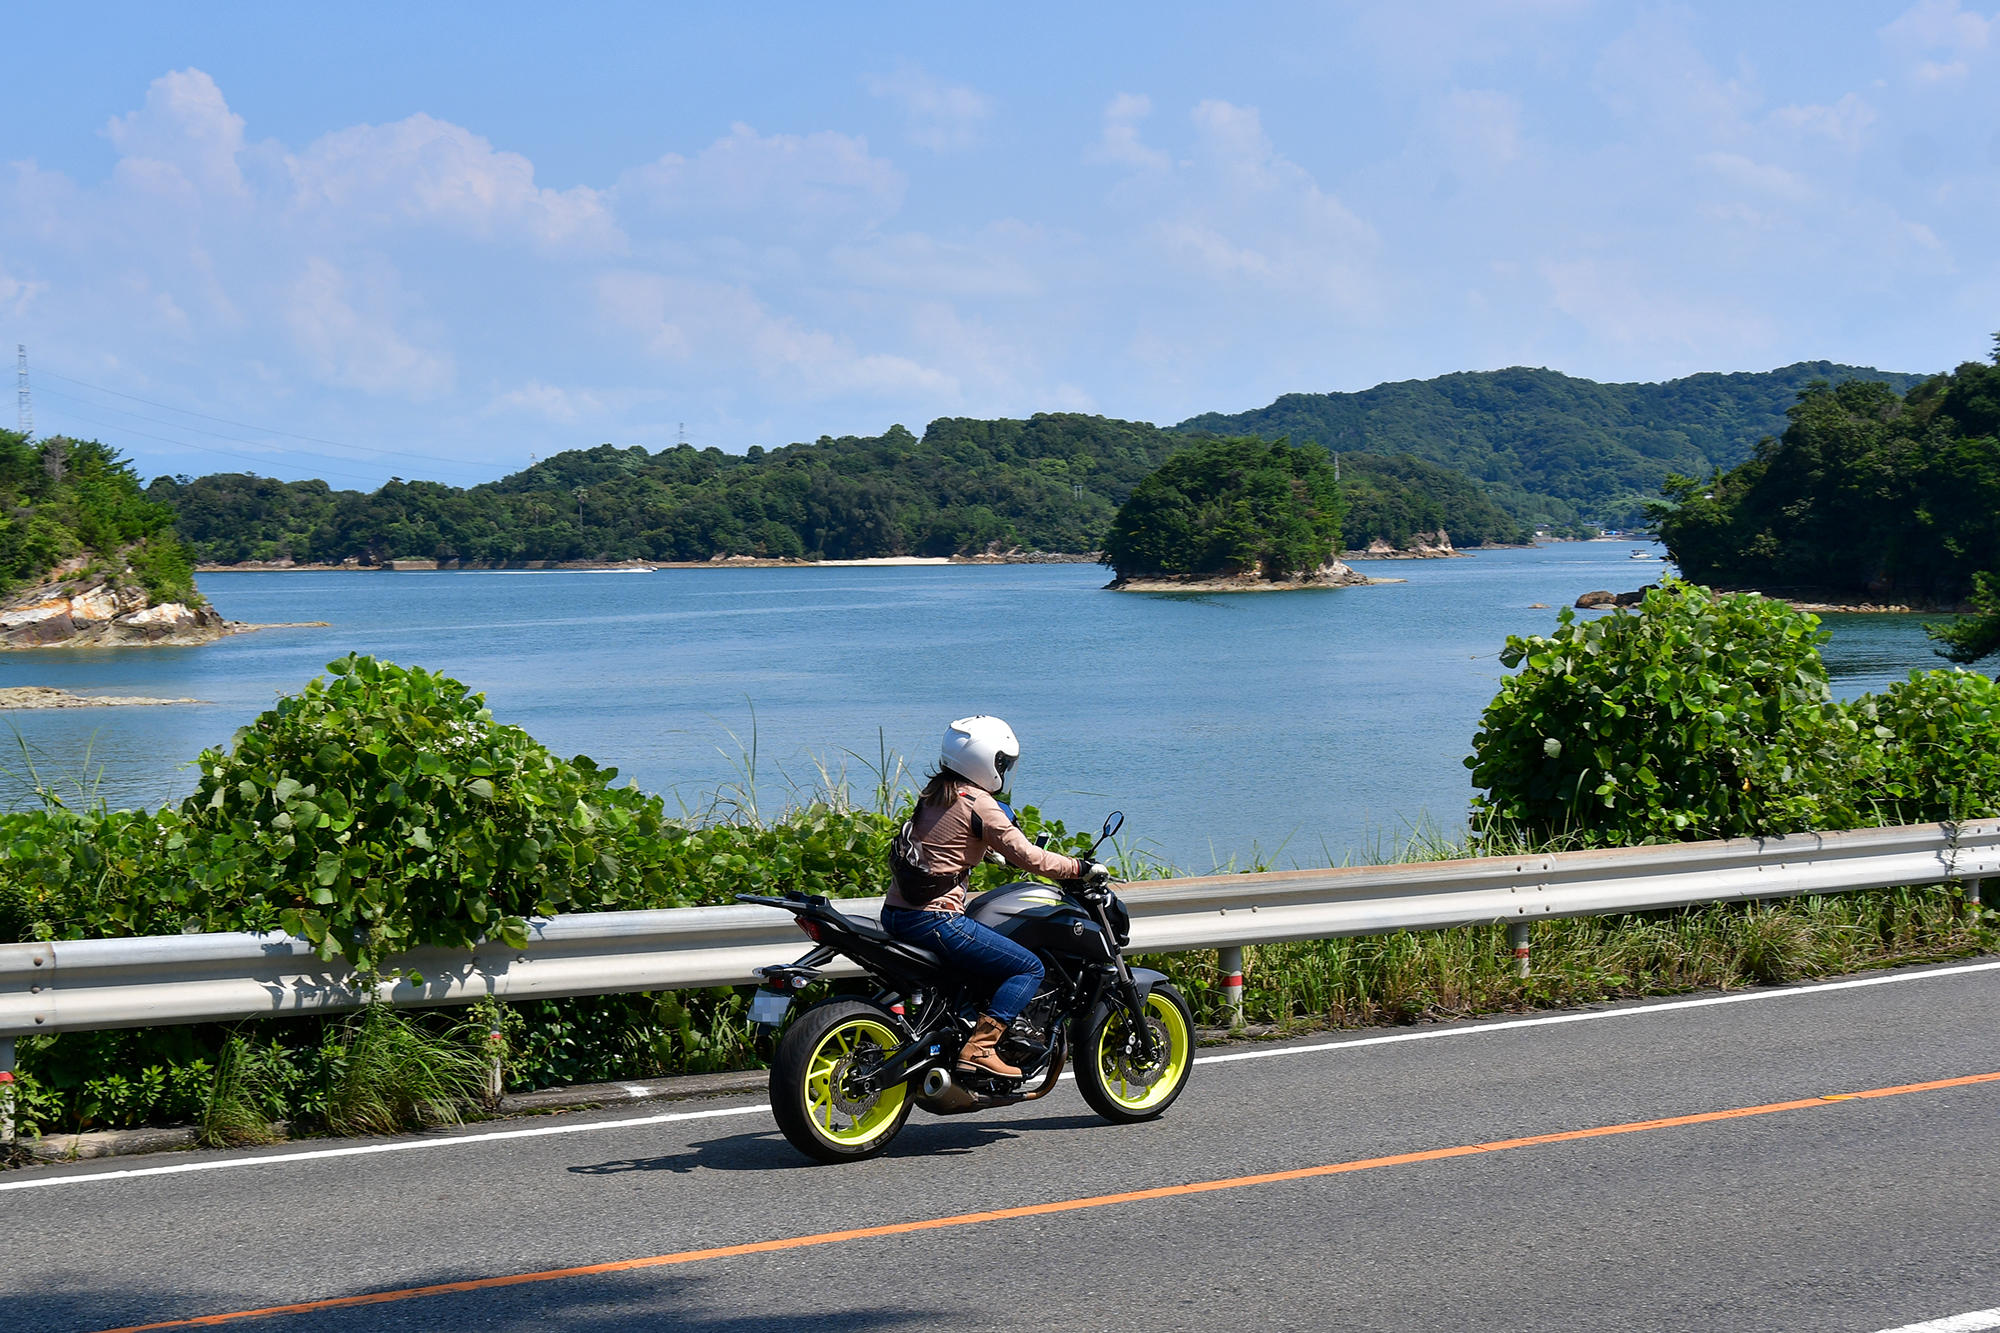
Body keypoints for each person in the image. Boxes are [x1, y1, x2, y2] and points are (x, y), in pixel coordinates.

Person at [881, 715, 1108, 1079]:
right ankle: (981, 1048)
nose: (1004, 769)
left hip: (896, 913)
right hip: (935, 920)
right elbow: (1031, 858)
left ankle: (960, 1029)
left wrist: (986, 852)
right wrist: (1079, 868)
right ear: (988, 760)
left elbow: (943, 845)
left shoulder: (937, 794)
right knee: (1027, 967)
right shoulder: (979, 803)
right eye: (1003, 762)